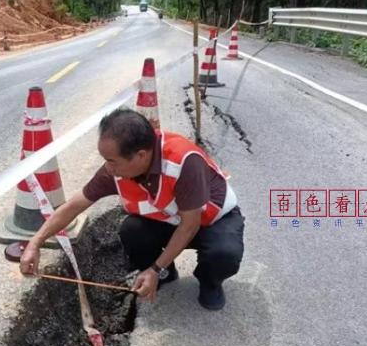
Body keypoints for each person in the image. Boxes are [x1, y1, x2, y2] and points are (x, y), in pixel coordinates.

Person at [20, 108, 245, 310]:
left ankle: (209, 282)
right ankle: (166, 274)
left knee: (224, 254)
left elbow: (191, 224)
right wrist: (35, 242)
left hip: (211, 221)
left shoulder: (184, 162)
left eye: (112, 160)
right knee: (132, 230)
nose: (108, 167)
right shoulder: (115, 170)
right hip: (170, 220)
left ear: (141, 155)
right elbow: (74, 205)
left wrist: (154, 269)